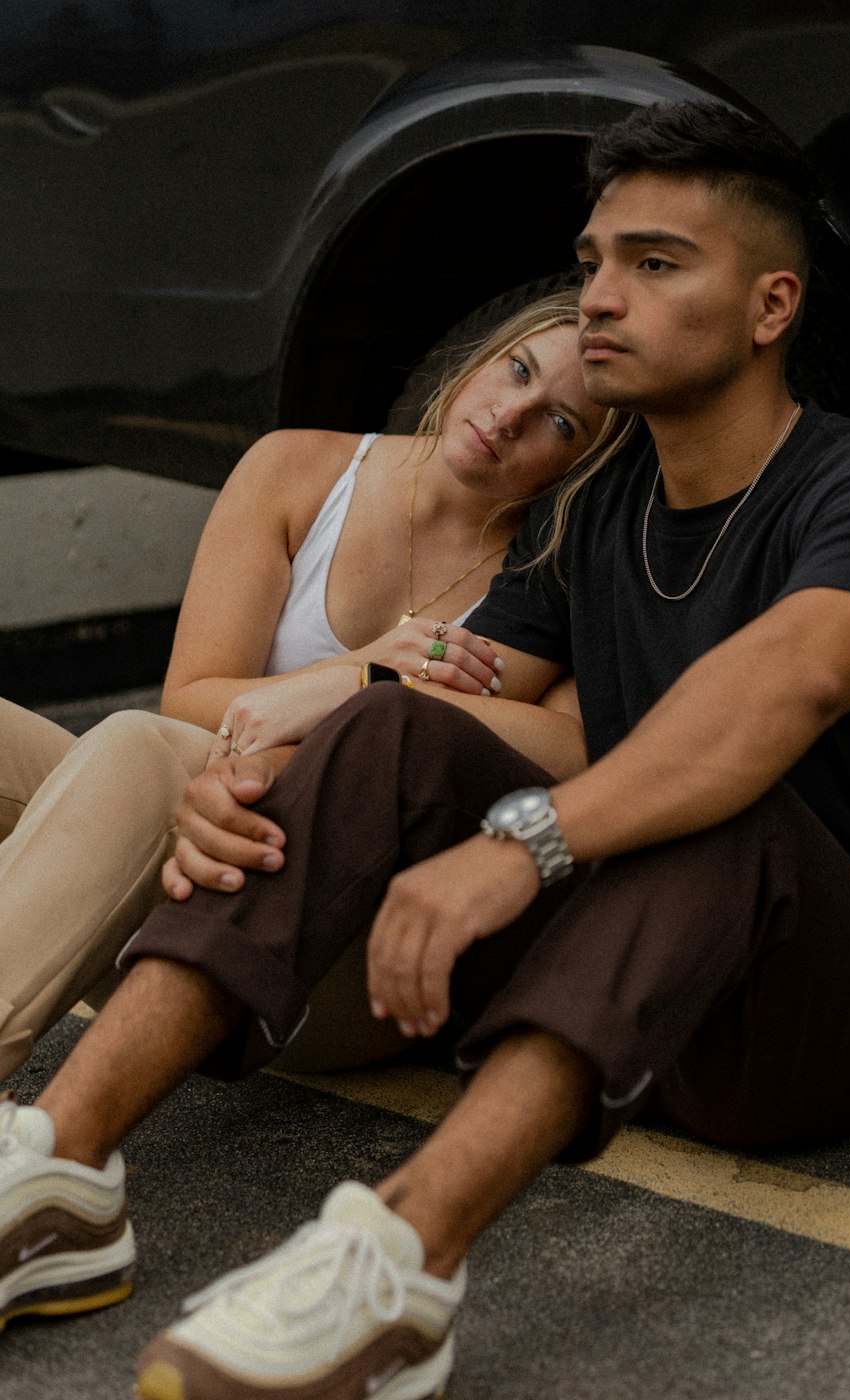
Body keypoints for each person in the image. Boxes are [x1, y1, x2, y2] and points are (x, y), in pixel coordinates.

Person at [0, 99, 850, 1400]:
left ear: (771, 306)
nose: (601, 302)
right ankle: (59, 1169)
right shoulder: (591, 517)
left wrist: (527, 843)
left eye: (655, 264)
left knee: (727, 813)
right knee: (386, 732)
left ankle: (394, 1256)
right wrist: (251, 764)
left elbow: (772, 697)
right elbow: (427, 703)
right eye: (592, 265)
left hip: (804, 1015)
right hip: (608, 983)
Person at [0, 291, 630, 1082]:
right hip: (187, 859)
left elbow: (575, 759)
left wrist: (362, 692)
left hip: (328, 957)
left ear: (584, 465)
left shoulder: (547, 586)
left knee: (134, 747)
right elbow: (190, 700)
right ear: (479, 358)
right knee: (118, 750)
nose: (510, 415)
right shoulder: (298, 468)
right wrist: (357, 667)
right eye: (516, 371)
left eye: (560, 422)